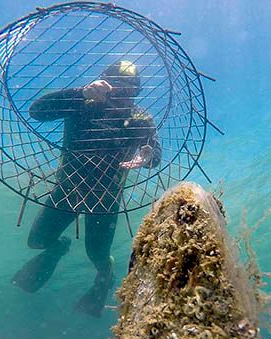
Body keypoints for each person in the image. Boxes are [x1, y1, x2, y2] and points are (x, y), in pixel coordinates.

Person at [13, 60, 162, 317]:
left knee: (97, 254)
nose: (124, 95)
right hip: (68, 189)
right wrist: (80, 93)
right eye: (118, 87)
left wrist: (147, 157)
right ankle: (59, 247)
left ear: (137, 92)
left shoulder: (141, 119)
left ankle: (106, 274)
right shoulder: (82, 103)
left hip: (107, 199)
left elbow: (155, 156)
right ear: (104, 83)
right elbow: (37, 111)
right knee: (37, 242)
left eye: (131, 90)